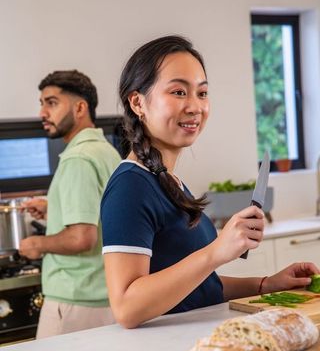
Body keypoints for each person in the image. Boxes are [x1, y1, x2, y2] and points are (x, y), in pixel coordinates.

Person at [100, 35, 319, 329]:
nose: (195, 106)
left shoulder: (169, 181)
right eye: (178, 92)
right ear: (138, 102)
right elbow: (126, 307)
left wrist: (268, 283)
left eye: (202, 93)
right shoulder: (130, 186)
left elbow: (198, 289)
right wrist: (216, 252)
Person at [19, 70, 121, 351]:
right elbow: (98, 217)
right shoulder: (105, 150)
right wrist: (55, 207)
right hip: (105, 299)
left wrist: (38, 245)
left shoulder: (78, 159)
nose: (43, 112)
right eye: (42, 103)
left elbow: (82, 237)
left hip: (75, 304)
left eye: (51, 102)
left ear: (80, 108)